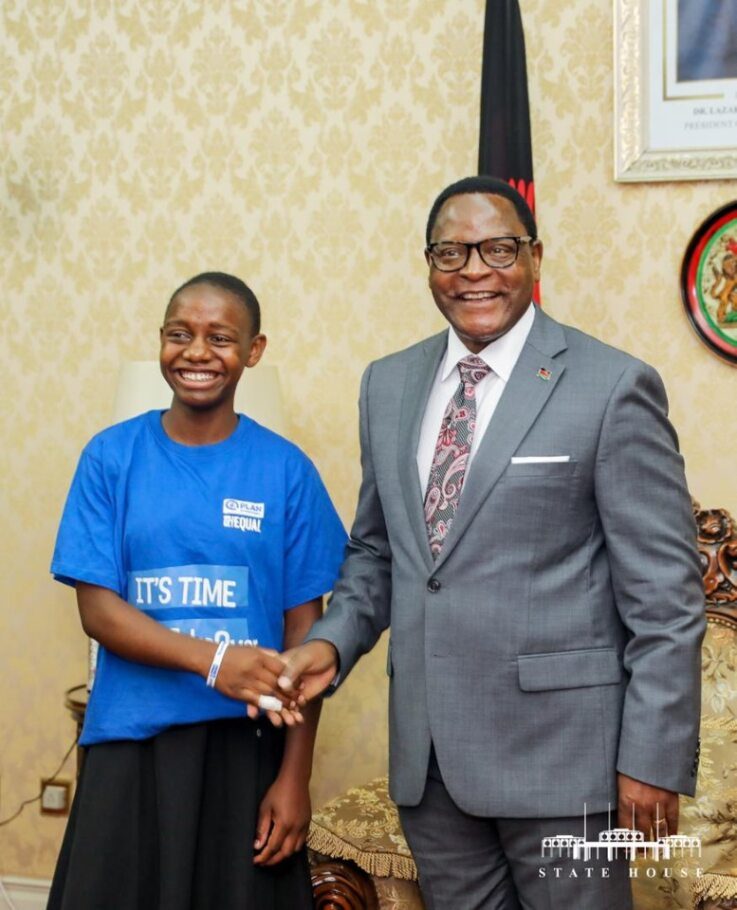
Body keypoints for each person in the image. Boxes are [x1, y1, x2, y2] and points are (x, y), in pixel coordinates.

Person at [278, 177, 705, 909]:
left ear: (534, 258)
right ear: (428, 264)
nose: (473, 269)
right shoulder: (387, 385)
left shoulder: (609, 386)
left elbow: (664, 598)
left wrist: (652, 760)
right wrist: (330, 643)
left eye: (496, 249)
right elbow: (380, 553)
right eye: (451, 252)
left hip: (566, 763)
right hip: (430, 760)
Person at [48, 272, 346, 910]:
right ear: (161, 341)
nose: (197, 352)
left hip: (244, 752)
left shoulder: (286, 470)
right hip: (130, 743)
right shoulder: (110, 458)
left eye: (220, 338)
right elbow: (98, 611)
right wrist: (215, 662)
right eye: (180, 335)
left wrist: (296, 776)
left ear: (254, 351)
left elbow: (307, 635)